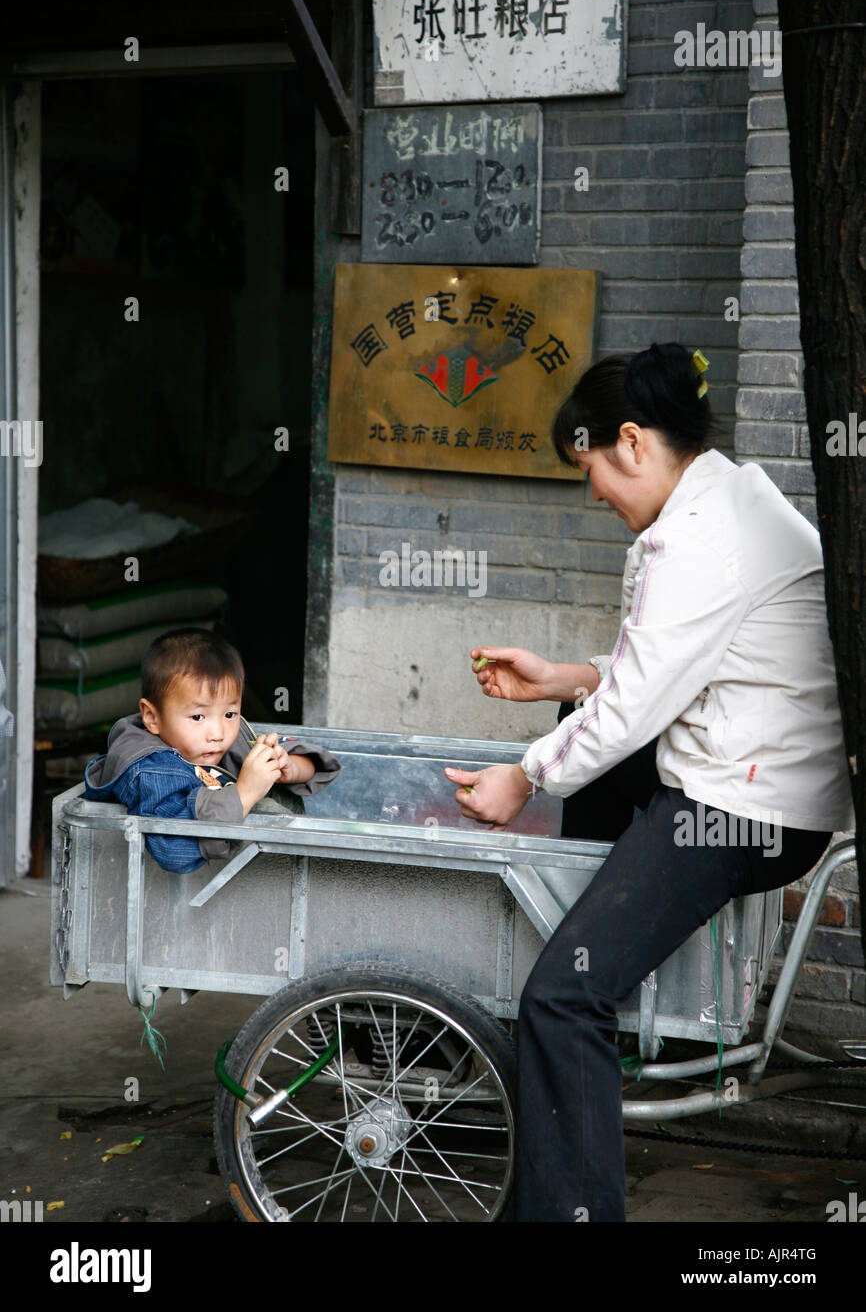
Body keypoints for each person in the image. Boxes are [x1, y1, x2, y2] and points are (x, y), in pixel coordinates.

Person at [443, 342, 854, 1222]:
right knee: (576, 733)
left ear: (631, 441)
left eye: (590, 469)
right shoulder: (729, 497)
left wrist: (523, 778)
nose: (594, 493)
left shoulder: (699, 539)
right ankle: (592, 996)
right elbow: (671, 671)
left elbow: (638, 705)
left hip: (743, 810)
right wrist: (561, 679)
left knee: (562, 997)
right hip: (752, 778)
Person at [84, 628, 341, 872]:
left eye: (230, 713)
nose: (218, 733)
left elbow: (314, 764)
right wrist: (245, 793)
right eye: (197, 717)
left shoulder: (222, 737)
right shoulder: (151, 771)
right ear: (152, 717)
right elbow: (172, 849)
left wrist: (289, 767)